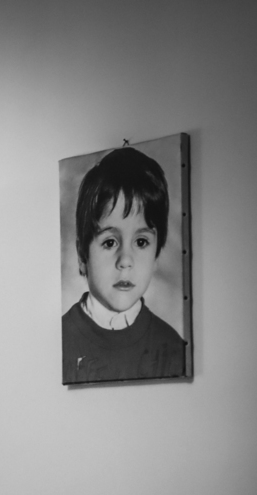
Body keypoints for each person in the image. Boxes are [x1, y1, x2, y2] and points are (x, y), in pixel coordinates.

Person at [62, 146, 187, 383]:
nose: (126, 261)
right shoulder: (61, 341)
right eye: (110, 242)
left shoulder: (172, 348)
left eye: (141, 242)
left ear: (156, 254)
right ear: (82, 254)